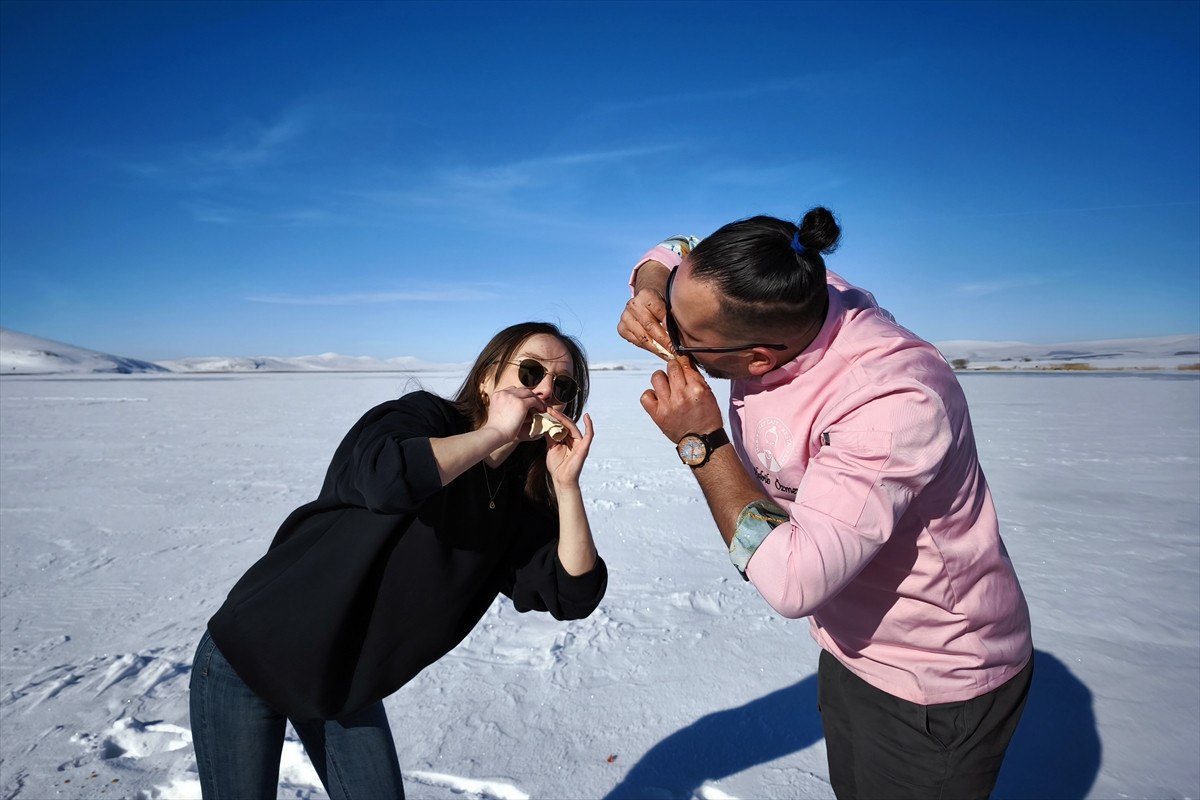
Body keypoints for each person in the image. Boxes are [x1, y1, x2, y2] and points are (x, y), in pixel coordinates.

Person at [617, 209, 1033, 799]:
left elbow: (796, 581)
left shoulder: (890, 400)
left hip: (935, 675)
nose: (667, 345)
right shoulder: (790, 275)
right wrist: (653, 288)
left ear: (759, 357)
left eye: (684, 340)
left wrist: (702, 442)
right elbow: (678, 243)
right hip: (851, 646)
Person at [190, 321, 607, 799]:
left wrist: (567, 486)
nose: (545, 391)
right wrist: (493, 433)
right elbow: (388, 479)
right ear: (489, 378)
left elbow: (571, 592)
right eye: (531, 372)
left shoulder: (519, 498)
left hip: (343, 686)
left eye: (563, 386)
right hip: (252, 655)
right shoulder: (421, 419)